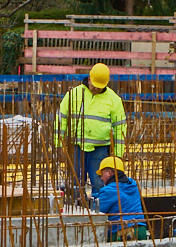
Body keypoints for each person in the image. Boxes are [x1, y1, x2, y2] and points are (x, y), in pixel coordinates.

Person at [54, 62, 126, 195]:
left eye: (100, 87)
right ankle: (76, 205)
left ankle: (97, 207)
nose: (96, 89)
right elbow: (61, 119)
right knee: (75, 182)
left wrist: (118, 154)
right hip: (76, 147)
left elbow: (120, 128)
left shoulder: (114, 100)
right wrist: (58, 143)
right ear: (89, 79)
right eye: (94, 86)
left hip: (100, 148)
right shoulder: (73, 95)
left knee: (98, 182)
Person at [92, 156, 148, 240]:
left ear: (109, 173)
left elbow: (96, 212)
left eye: (102, 174)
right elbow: (119, 194)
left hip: (123, 233)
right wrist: (93, 195)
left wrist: (85, 203)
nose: (101, 178)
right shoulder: (132, 184)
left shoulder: (108, 191)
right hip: (141, 230)